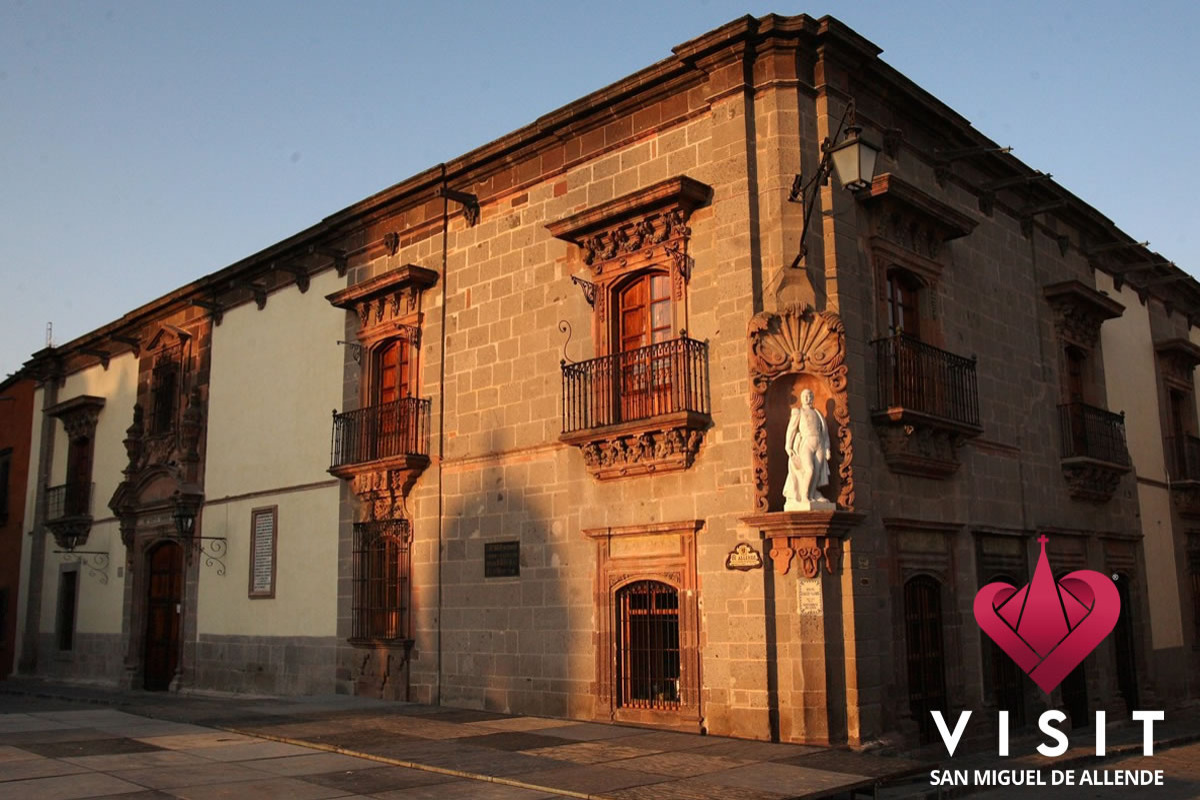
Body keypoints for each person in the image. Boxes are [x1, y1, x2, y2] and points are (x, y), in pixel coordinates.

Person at [783, 388, 834, 510]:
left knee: (817, 471)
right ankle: (804, 495)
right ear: (801, 398)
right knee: (809, 470)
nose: (808, 398)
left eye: (810, 396)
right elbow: (791, 430)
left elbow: (824, 432)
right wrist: (788, 446)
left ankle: (812, 495)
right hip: (806, 443)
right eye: (805, 396)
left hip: (819, 443)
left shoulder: (818, 413)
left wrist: (827, 448)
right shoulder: (798, 412)